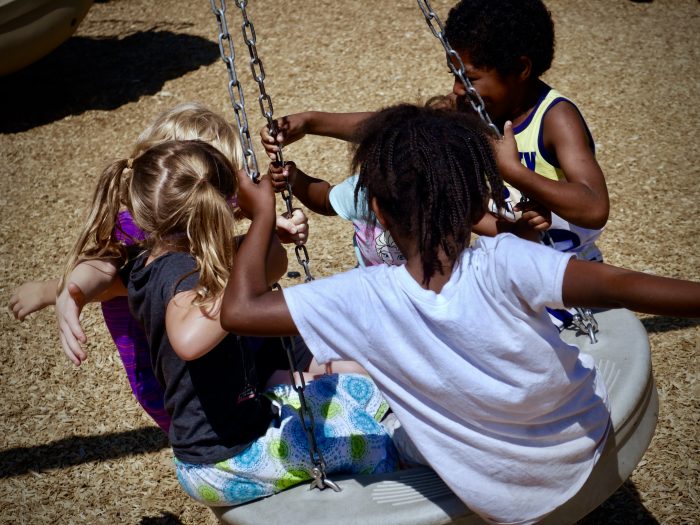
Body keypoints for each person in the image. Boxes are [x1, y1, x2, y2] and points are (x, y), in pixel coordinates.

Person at [221, 105, 700, 525]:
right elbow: (625, 285)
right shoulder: (508, 260)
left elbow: (239, 310)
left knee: (392, 433)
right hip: (583, 444)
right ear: (475, 203)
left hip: (498, 498)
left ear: (379, 214)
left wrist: (263, 214)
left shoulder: (358, 297)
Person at [57, 139, 398, 508]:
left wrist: (260, 233)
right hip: (223, 460)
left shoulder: (156, 260)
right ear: (218, 208)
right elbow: (188, 339)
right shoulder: (179, 272)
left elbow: (269, 265)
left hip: (245, 427)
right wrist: (263, 217)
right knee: (369, 441)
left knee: (358, 389)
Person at [8, 102, 310, 433]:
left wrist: (269, 225)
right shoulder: (141, 235)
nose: (232, 194)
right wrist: (67, 290)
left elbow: (237, 231)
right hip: (188, 390)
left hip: (230, 354)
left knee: (313, 358)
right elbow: (103, 270)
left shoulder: (189, 218)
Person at [261, 0, 606, 264]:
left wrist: (512, 170)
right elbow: (394, 126)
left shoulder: (555, 118)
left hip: (569, 272)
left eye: (468, 78)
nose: (457, 90)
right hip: (509, 268)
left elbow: (593, 207)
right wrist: (310, 123)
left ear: (520, 68)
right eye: (454, 76)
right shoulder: (468, 110)